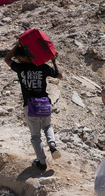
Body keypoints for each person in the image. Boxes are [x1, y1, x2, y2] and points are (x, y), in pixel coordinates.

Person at [4, 41, 62, 170]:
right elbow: (60, 75)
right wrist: (53, 61)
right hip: (45, 103)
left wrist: (18, 44)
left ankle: (42, 162)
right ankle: (52, 144)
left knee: (35, 136)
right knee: (47, 126)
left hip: (30, 105)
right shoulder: (43, 67)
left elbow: (6, 59)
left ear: (19, 58)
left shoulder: (20, 68)